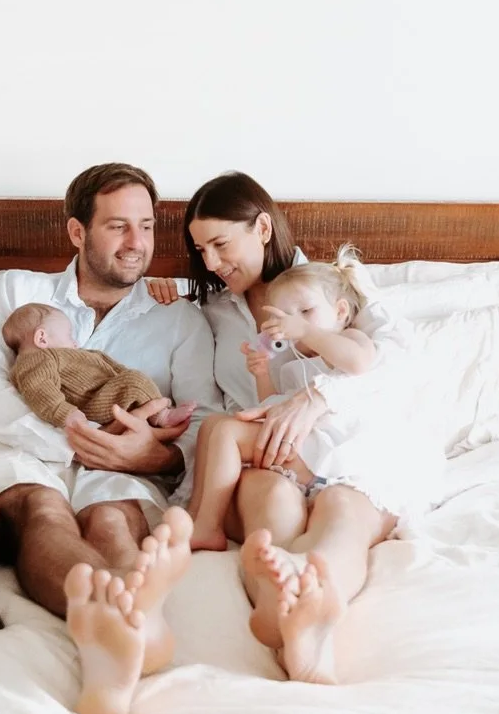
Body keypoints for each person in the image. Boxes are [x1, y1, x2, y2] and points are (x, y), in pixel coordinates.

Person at [0, 163, 221, 714]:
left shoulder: (180, 318)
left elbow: (202, 421)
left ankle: (128, 618)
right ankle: (108, 621)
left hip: (128, 461)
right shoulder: (18, 292)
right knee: (41, 510)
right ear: (77, 232)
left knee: (114, 520)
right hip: (19, 447)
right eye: (118, 226)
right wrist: (77, 445)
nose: (137, 244)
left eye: (145, 226)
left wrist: (152, 457)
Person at [150, 171, 441, 686]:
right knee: (271, 523)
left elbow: (397, 361)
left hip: (348, 450)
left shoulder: (327, 287)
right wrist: (157, 302)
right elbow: (214, 409)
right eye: (202, 251)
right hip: (268, 456)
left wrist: (317, 397)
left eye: (221, 244)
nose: (212, 262)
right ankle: (286, 617)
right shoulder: (211, 310)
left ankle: (318, 601)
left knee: (342, 515)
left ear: (262, 227)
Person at [188, 246, 397, 552]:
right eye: (287, 316)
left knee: (227, 432)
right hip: (300, 452)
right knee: (213, 426)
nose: (295, 323)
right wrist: (261, 373)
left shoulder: (350, 338)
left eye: (306, 311)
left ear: (340, 312)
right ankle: (196, 516)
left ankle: (207, 525)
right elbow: (275, 404)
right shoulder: (291, 360)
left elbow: (359, 363)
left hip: (329, 452)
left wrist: (306, 330)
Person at [2, 302, 198, 433]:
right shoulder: (35, 360)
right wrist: (65, 413)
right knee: (135, 383)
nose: (75, 342)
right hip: (95, 400)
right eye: (69, 335)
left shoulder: (58, 356)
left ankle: (153, 417)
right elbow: (39, 390)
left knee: (130, 377)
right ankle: (162, 416)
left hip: (106, 390)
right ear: (41, 338)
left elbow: (110, 366)